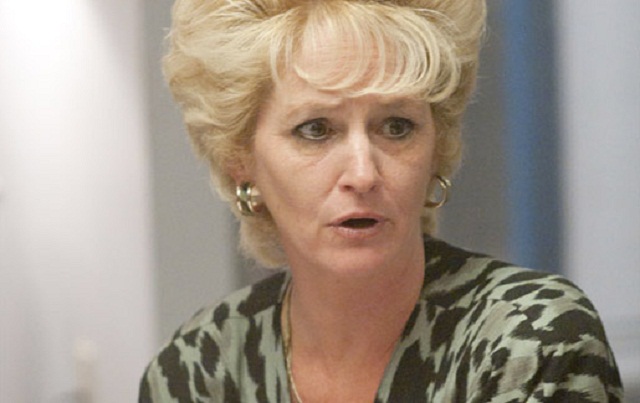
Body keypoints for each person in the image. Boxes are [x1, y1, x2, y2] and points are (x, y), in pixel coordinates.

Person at [139, 0, 623, 401]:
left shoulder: (530, 337)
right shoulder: (198, 368)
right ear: (240, 162)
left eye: (396, 127)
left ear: (436, 149)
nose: (364, 173)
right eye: (316, 130)